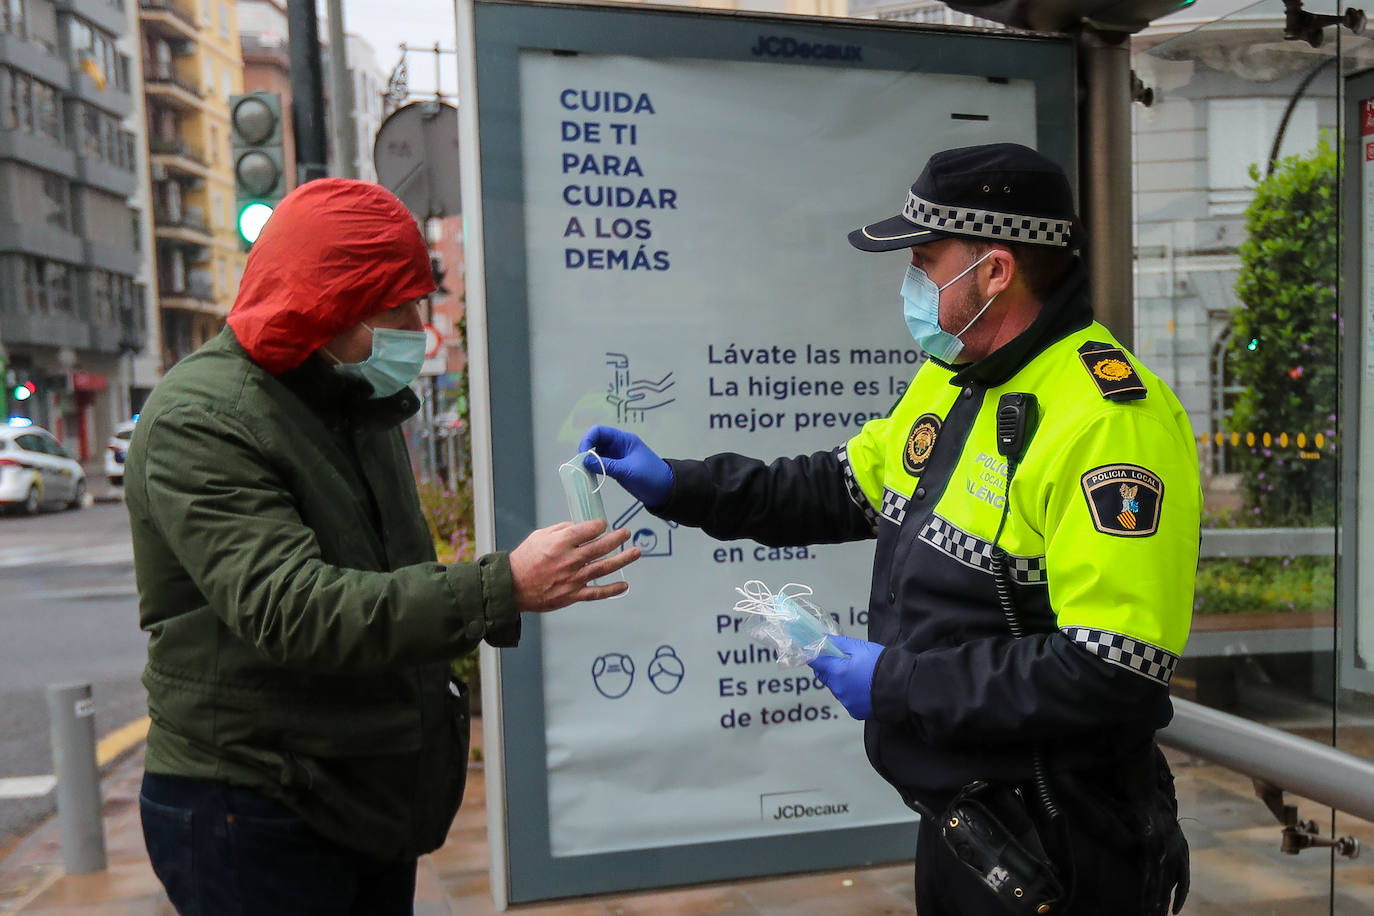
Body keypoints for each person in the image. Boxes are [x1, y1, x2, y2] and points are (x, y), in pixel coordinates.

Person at [581, 143, 1194, 915]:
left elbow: (1115, 675)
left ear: (996, 271)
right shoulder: (955, 377)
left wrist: (895, 682)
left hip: (1065, 845)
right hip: (969, 829)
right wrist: (680, 483)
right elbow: (837, 488)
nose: (911, 281)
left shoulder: (1109, 422)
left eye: (926, 259)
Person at [126, 178, 639, 916]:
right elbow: (293, 610)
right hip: (255, 801)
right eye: (392, 305)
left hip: (354, 789)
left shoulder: (346, 400)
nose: (416, 325)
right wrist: (503, 586)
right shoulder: (203, 419)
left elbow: (389, 578)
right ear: (322, 302)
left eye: (418, 300)